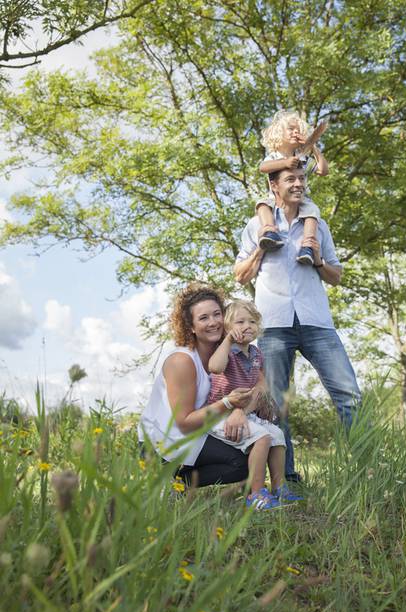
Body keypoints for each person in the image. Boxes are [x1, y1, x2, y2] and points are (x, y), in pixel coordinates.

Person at [234, 166, 361, 482]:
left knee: (349, 395)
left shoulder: (317, 227)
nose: (299, 184)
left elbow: (336, 276)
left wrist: (318, 261)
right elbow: (240, 275)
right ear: (273, 185)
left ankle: (367, 468)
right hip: (274, 323)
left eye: (302, 179)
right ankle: (286, 479)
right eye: (291, 179)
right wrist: (260, 253)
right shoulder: (256, 226)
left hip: (316, 321)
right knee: (276, 405)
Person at [138, 284, 254, 487]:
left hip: (195, 433)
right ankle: (169, 480)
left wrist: (240, 410)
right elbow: (183, 422)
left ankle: (179, 482)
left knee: (248, 458)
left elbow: (260, 383)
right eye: (203, 318)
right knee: (240, 462)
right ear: (190, 327)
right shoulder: (182, 361)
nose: (213, 323)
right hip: (163, 442)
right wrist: (228, 403)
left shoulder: (228, 352)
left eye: (217, 314)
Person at [207, 299, 303, 509]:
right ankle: (256, 493)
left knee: (277, 436)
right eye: (240, 322)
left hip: (244, 412)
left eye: (252, 321)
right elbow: (214, 367)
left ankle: (279, 487)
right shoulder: (226, 351)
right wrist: (227, 340)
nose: (247, 326)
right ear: (228, 328)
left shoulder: (256, 353)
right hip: (220, 413)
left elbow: (262, 387)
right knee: (262, 437)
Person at [256, 110, 329, 266]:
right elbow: (263, 167)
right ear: (278, 133)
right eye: (291, 129)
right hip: (275, 199)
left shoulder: (303, 157)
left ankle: (307, 246)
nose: (296, 132)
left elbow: (323, 170)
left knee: (312, 211)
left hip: (300, 199)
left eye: (299, 130)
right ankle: (270, 232)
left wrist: (313, 147)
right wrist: (284, 163)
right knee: (262, 205)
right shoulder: (275, 156)